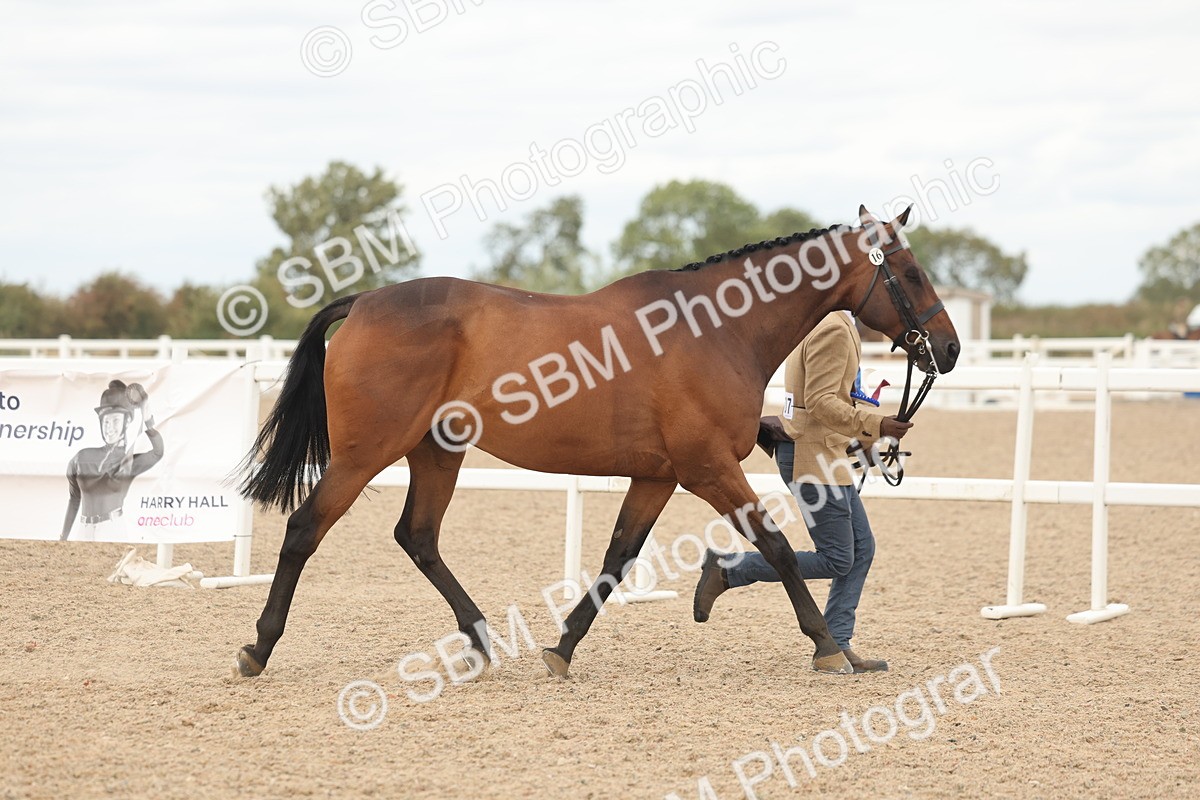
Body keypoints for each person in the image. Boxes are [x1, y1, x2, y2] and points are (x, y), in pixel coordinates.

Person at [692, 311, 912, 673]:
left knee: (862, 549)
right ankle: (730, 569)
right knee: (838, 558)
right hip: (814, 459)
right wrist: (877, 424)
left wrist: (861, 441)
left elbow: (819, 403)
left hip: (824, 453)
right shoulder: (832, 330)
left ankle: (836, 644)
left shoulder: (823, 322)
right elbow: (823, 402)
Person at [61, 380, 164, 541]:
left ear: (127, 421)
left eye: (115, 420)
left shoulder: (129, 462)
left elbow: (158, 452)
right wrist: (63, 537)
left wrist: (148, 421)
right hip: (84, 530)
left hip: (112, 528)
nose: (109, 427)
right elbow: (74, 499)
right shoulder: (81, 457)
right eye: (106, 421)